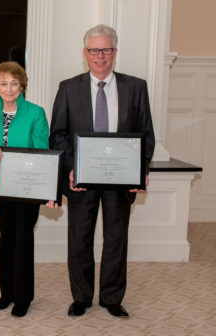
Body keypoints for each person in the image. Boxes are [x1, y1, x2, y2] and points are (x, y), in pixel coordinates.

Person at [49, 24, 155, 318]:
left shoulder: (136, 87)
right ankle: (81, 297)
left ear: (114, 52)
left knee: (116, 238)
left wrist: (141, 170)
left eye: (105, 49)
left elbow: (145, 134)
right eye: (94, 50)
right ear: (85, 53)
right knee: (79, 238)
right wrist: (70, 168)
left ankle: (111, 297)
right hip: (81, 179)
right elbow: (57, 134)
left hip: (121, 179)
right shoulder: (68, 88)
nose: (100, 56)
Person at [0, 61, 57, 317]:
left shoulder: (36, 113)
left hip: (27, 187)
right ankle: (7, 293)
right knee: (6, 237)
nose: (9, 88)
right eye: (3, 83)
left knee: (23, 238)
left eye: (14, 83)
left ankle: (23, 296)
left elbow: (42, 151)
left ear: (22, 85)